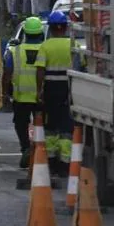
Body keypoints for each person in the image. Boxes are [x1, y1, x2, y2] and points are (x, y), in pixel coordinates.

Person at [3, 16, 44, 169]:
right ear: (40, 34)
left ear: (25, 33)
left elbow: (7, 74)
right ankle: (41, 152)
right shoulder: (45, 49)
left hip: (21, 98)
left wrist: (5, 94)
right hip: (41, 98)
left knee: (21, 125)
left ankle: (26, 148)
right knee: (43, 126)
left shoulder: (15, 51)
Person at [36, 10, 74, 171]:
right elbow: (81, 67)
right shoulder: (73, 45)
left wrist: (39, 90)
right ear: (65, 28)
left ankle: (51, 160)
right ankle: (65, 161)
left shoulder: (45, 46)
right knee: (66, 126)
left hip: (51, 90)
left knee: (50, 126)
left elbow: (40, 71)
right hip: (68, 90)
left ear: (50, 29)